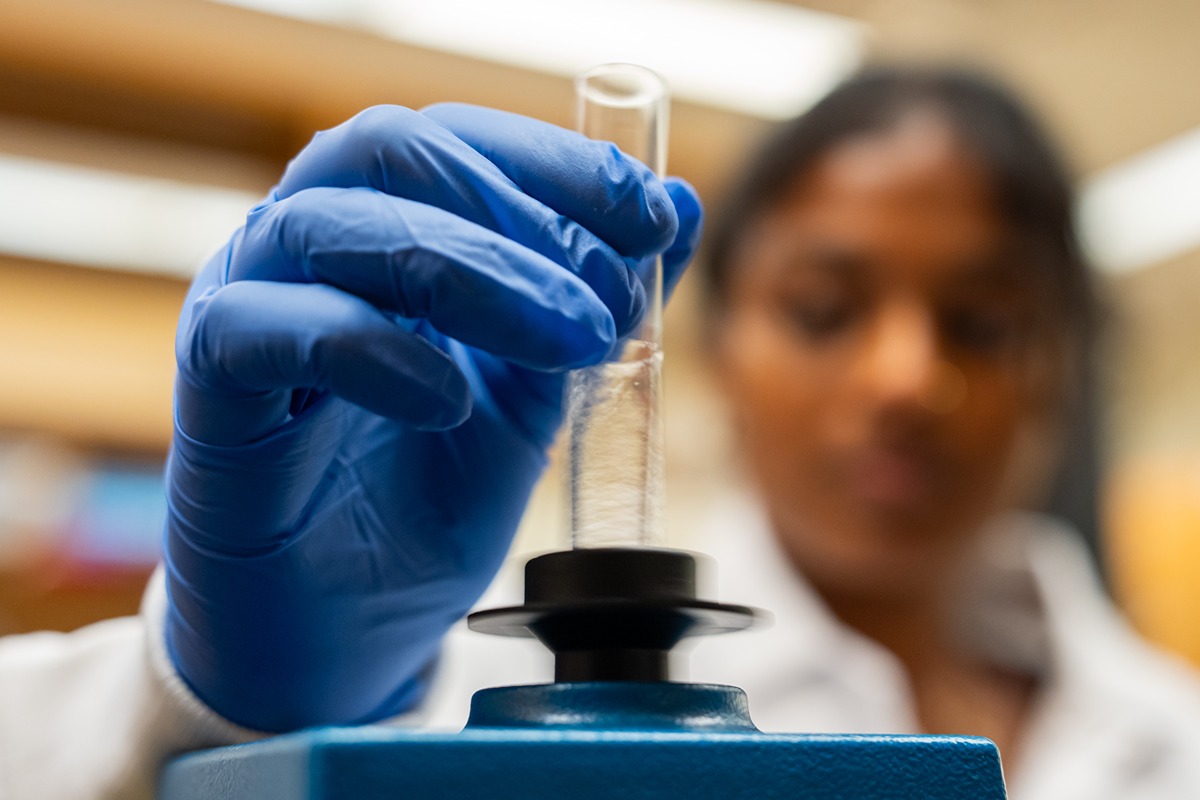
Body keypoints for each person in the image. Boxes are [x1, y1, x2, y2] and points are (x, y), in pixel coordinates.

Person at [0, 66, 1196, 800]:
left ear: (1063, 365)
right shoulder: (450, 706)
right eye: (824, 309)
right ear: (719, 340)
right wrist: (233, 713)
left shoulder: (1175, 735)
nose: (903, 377)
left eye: (982, 323)